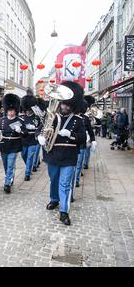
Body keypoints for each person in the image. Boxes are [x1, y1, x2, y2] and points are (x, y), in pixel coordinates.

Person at [38, 81, 86, 226]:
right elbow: (40, 129)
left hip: (69, 155)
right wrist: (39, 137)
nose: (64, 106)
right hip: (52, 154)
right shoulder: (51, 116)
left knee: (65, 184)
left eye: (67, 104)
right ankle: (54, 199)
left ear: (72, 105)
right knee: (54, 180)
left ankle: (64, 211)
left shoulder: (78, 120)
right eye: (63, 104)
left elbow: (83, 138)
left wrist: (70, 134)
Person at [0, 94, 25, 194]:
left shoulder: (20, 120)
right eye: (9, 110)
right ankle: (9, 177)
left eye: (12, 110)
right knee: (6, 165)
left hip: (14, 145)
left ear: (16, 110)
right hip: (4, 144)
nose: (11, 112)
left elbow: (25, 134)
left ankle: (7, 183)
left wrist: (20, 130)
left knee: (10, 164)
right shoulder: (1, 120)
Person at [20, 94, 42, 182]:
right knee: (23, 155)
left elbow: (41, 126)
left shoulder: (37, 117)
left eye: (29, 110)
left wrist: (35, 128)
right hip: (24, 139)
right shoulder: (22, 117)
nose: (28, 112)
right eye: (27, 110)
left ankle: (27, 173)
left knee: (30, 157)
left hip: (33, 139)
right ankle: (29, 166)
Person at [82, 96, 97, 170]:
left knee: (87, 148)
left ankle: (85, 163)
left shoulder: (90, 111)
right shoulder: (84, 110)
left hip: (89, 131)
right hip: (85, 131)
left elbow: (93, 122)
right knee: (84, 149)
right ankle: (84, 163)